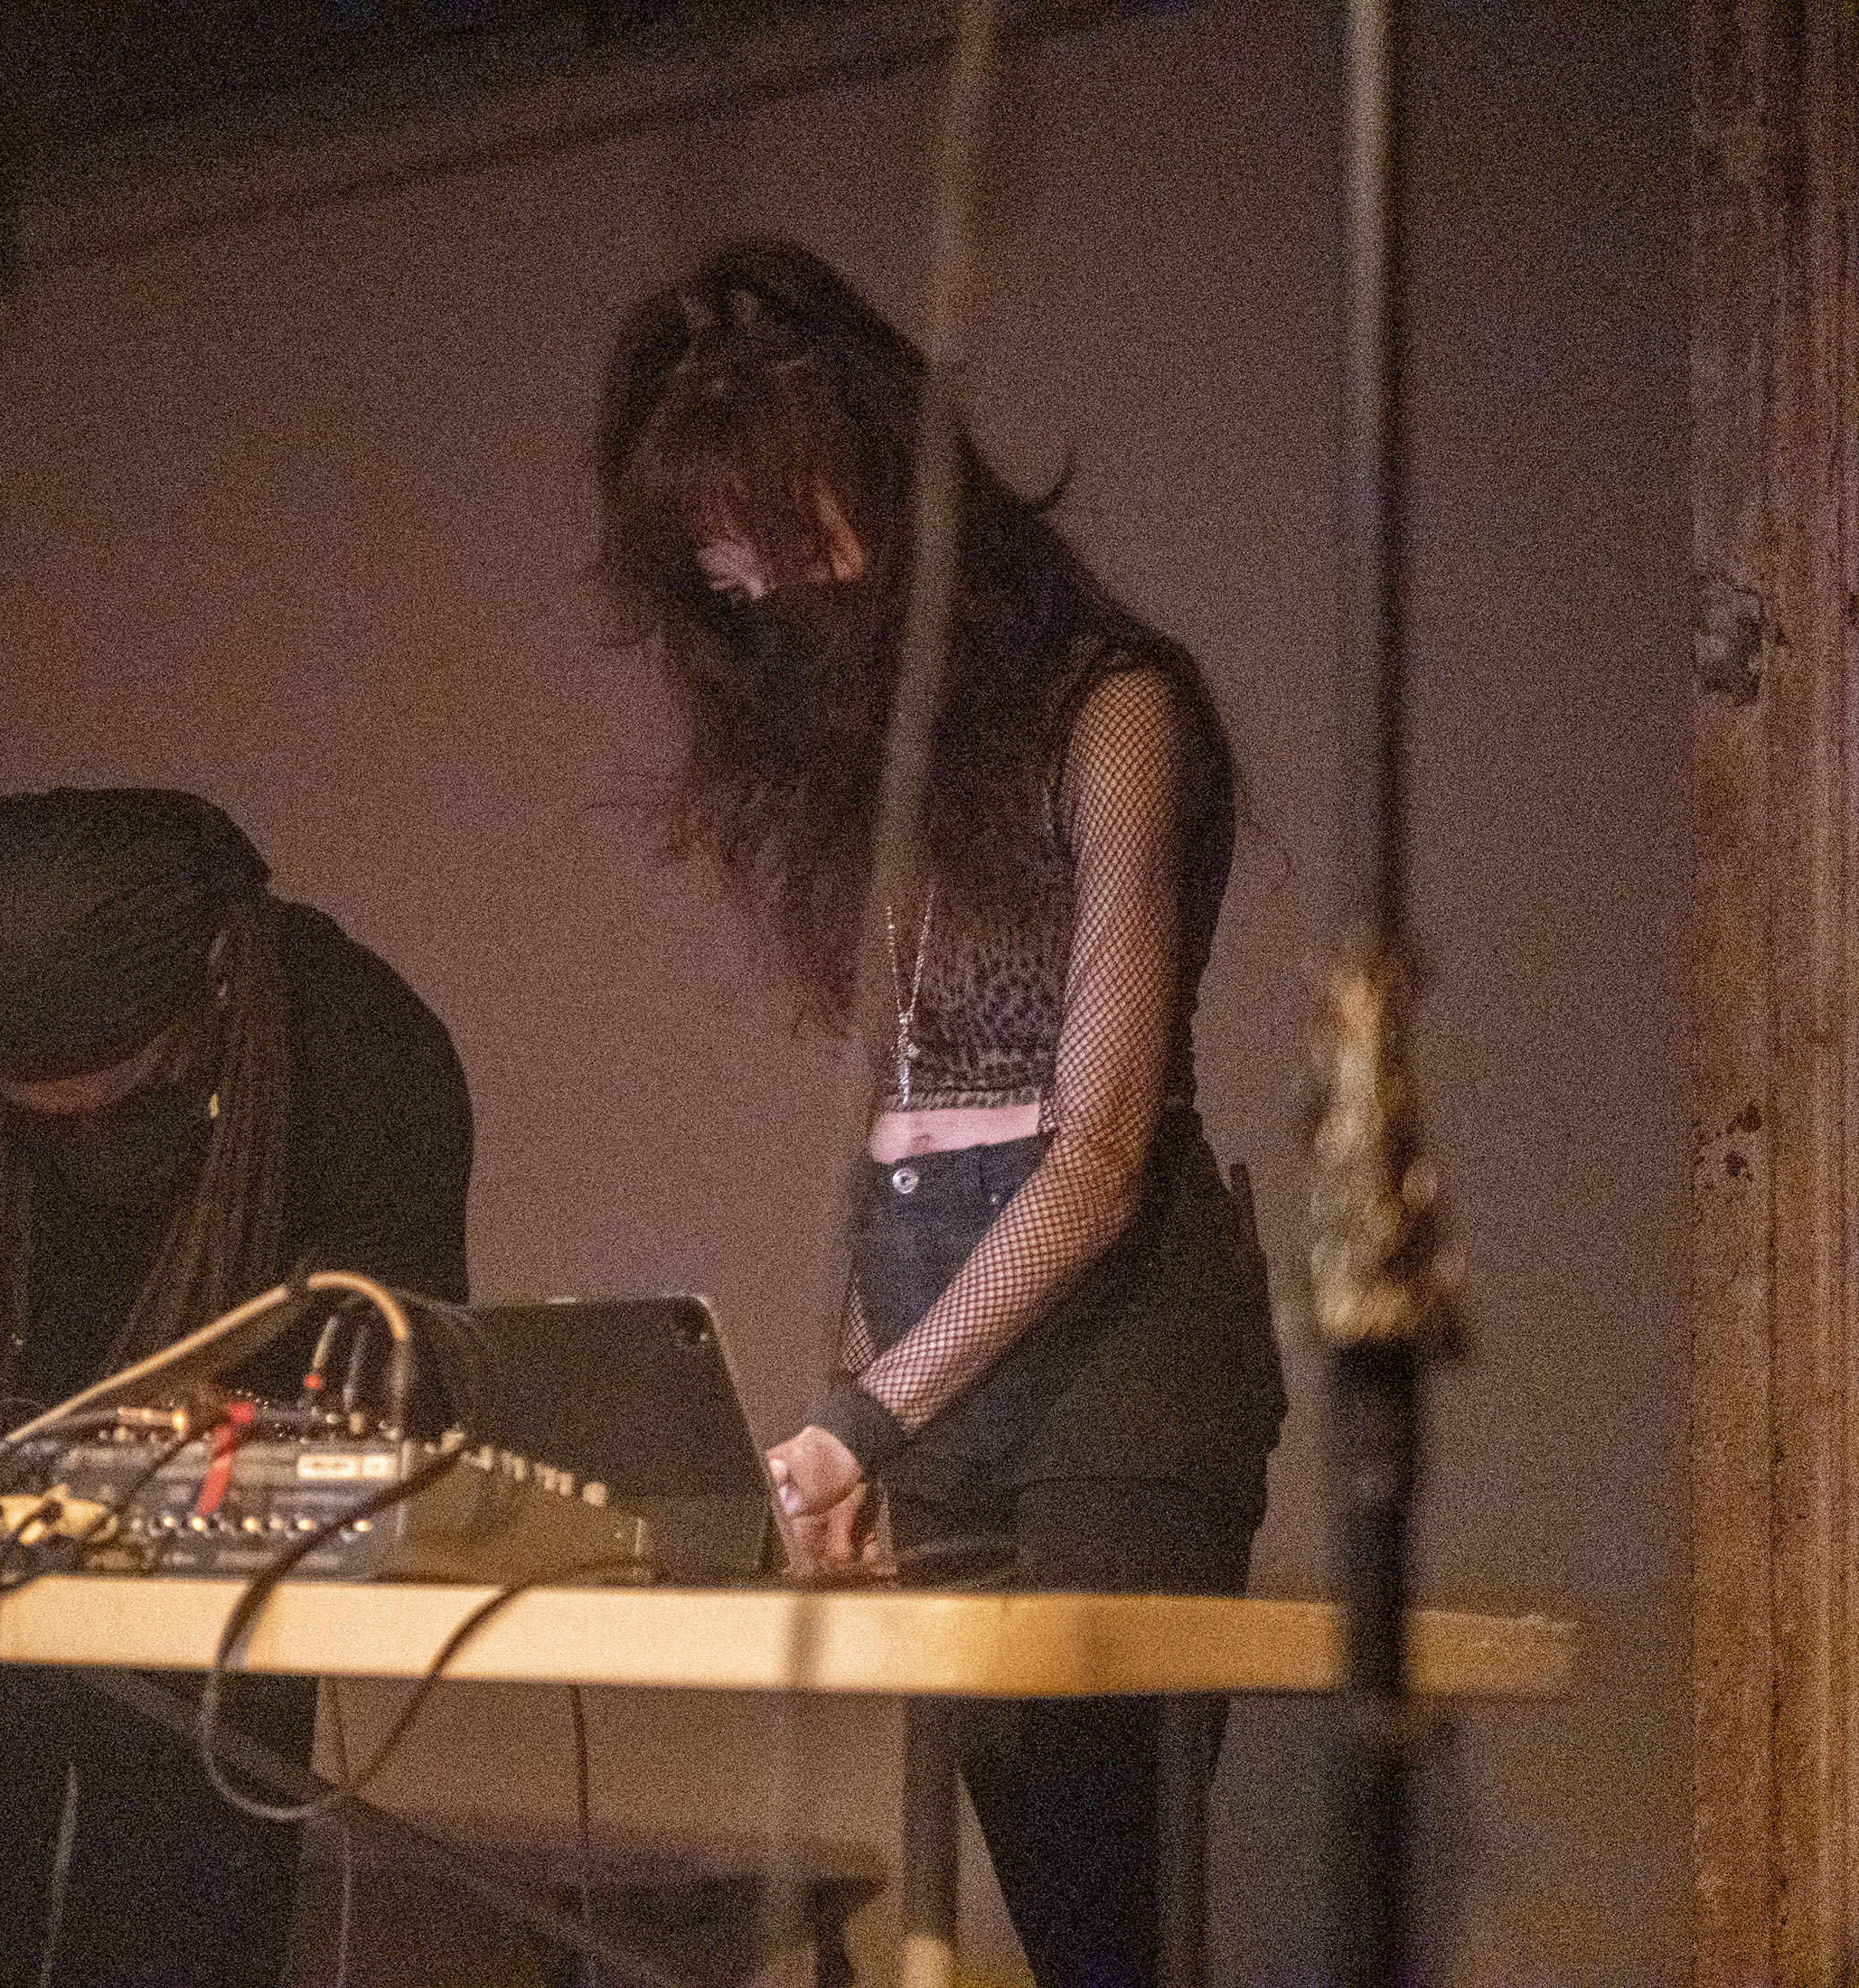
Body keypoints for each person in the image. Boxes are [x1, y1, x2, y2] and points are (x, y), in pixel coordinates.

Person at [592, 239, 1287, 1988]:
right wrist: (866, 1415)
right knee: (1054, 1922)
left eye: (801, 545)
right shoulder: (880, 769)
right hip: (944, 1376)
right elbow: (894, 1113)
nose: (781, 602)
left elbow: (1104, 1152)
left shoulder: (1117, 712)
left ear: (891, 483)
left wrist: (859, 1418)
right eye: (739, 586)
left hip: (1119, 1372)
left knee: (1118, 1928)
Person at [0, 785, 471, 1988]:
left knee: (177, 1914)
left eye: (121, 1095)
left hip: (220, 1507)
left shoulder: (361, 1040)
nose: (86, 1135)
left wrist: (223, 1467)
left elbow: (405, 1350)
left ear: (206, 991)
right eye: (42, 1110)